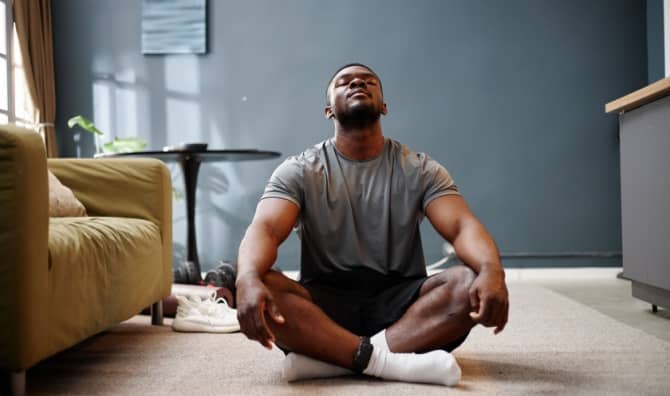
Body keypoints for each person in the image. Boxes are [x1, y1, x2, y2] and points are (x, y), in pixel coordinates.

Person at [235, 63, 509, 386]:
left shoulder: (420, 169)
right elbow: (265, 229)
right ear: (328, 111)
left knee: (467, 282)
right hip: (323, 306)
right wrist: (248, 277)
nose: (357, 84)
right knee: (257, 281)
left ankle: (336, 359)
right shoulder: (299, 170)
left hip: (404, 305)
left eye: (368, 81)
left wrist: (493, 270)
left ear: (384, 105)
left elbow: (462, 227)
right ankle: (385, 361)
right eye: (344, 82)